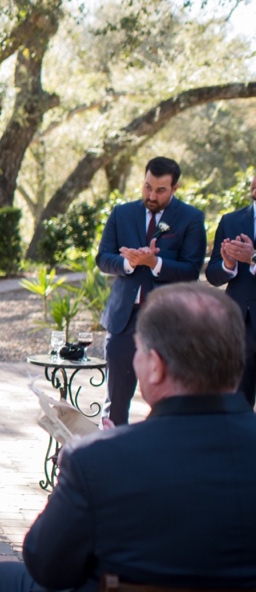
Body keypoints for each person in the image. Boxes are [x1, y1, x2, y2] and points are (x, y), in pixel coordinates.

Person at [0, 283, 256, 592]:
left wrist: (79, 475)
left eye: (136, 349)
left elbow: (46, 566)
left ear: (155, 366)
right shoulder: (102, 457)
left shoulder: (97, 460)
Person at [95, 157, 205, 425]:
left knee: (166, 399)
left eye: (160, 190)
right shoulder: (121, 214)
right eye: (147, 187)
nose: (151, 195)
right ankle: (113, 456)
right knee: (116, 399)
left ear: (175, 188)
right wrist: (127, 263)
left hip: (167, 321)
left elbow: (191, 270)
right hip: (124, 319)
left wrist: (155, 263)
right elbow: (103, 258)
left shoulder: (191, 218)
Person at [205, 173, 256, 407]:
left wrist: (253, 257)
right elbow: (212, 275)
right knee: (238, 403)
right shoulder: (231, 221)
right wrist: (228, 264)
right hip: (240, 326)